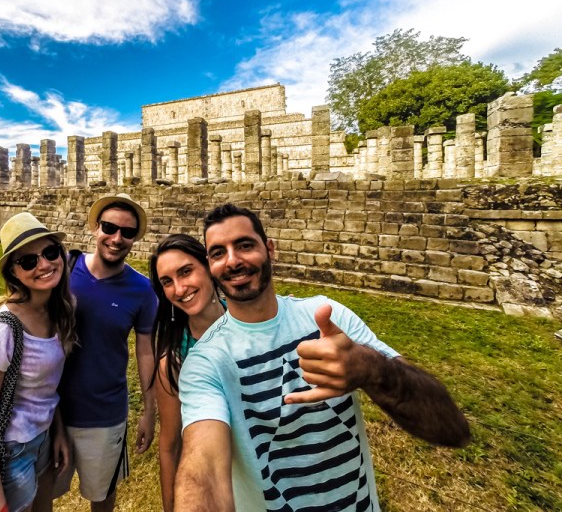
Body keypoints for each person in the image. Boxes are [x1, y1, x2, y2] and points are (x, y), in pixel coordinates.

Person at [174, 203, 471, 512]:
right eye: (218, 253)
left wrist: (370, 368)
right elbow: (202, 466)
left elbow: (451, 429)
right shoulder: (205, 361)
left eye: (245, 245)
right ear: (210, 265)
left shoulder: (328, 317)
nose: (233, 261)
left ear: (270, 249)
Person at [0, 194, 158, 512]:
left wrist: (149, 410)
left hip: (101, 414)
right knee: (38, 499)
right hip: (48, 420)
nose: (117, 238)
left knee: (100, 495)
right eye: (109, 227)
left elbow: (146, 352)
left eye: (128, 232)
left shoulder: (142, 290)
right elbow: (14, 315)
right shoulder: (64, 270)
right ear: (95, 227)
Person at [0, 212, 76, 512]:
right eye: (28, 261)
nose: (44, 264)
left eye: (50, 252)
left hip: (44, 440)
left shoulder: (59, 310)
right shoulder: (3, 330)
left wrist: (58, 431)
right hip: (12, 452)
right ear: (13, 272)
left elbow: (49, 387)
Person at [148, 234, 226, 512]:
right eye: (167, 282)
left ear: (208, 266)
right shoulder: (173, 364)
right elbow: (170, 447)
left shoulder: (250, 321)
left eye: (186, 271)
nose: (179, 289)